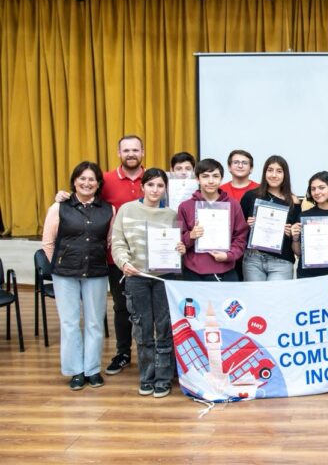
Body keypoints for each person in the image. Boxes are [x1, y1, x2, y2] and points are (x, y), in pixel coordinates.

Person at [111, 168, 186, 398]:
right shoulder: (127, 210)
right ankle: (147, 376)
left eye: (160, 186)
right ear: (142, 187)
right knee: (142, 331)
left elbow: (178, 248)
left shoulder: (172, 215)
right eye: (151, 185)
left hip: (165, 279)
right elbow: (117, 243)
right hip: (136, 278)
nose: (155, 190)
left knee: (164, 329)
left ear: (166, 189)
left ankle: (163, 379)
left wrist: (181, 249)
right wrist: (123, 263)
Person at [42, 161, 113, 390]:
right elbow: (48, 242)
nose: (86, 183)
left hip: (96, 272)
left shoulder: (108, 209)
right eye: (82, 178)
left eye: (91, 179)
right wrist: (61, 261)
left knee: (94, 323)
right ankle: (75, 371)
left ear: (98, 183)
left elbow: (110, 241)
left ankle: (92, 370)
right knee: (70, 323)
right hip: (65, 274)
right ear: (74, 181)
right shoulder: (59, 207)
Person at [177, 158, 249, 281]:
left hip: (226, 270)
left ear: (221, 179)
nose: (211, 181)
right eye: (205, 176)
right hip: (194, 272)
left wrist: (228, 255)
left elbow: (241, 237)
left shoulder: (233, 205)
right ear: (197, 179)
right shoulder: (185, 206)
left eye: (215, 176)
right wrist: (191, 235)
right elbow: (178, 241)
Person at [240, 156, 300, 281]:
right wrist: (247, 224)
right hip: (253, 259)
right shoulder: (251, 196)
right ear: (264, 173)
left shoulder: (293, 201)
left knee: (277, 300)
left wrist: (291, 232)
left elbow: (296, 235)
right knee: (255, 300)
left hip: (281, 261)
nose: (274, 175)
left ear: (285, 175)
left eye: (279, 171)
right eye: (270, 170)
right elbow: (238, 229)